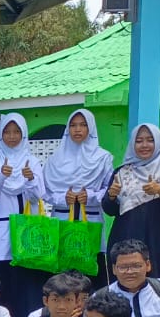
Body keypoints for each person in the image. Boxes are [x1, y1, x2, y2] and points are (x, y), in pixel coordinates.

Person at [0, 114, 45, 316]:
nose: (11, 136)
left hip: (26, 230)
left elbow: (38, 196)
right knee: (1, 282)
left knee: (25, 284)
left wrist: (31, 179)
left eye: (16, 132)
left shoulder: (32, 161)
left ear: (23, 134)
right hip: (0, 229)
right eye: (7, 132)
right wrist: (2, 175)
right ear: (0, 134)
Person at [42, 109, 113, 285]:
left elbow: (109, 189)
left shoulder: (103, 158)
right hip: (62, 218)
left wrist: (90, 196)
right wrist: (62, 198)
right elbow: (44, 191)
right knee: (62, 279)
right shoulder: (55, 159)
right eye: (73, 125)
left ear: (91, 128)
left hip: (90, 220)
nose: (78, 129)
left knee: (91, 273)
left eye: (83, 125)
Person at [104, 123, 160, 276]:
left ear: (159, 142)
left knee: (156, 283)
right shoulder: (122, 172)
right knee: (124, 282)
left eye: (150, 140)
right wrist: (112, 195)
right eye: (139, 141)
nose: (144, 145)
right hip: (124, 237)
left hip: (157, 239)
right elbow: (109, 209)